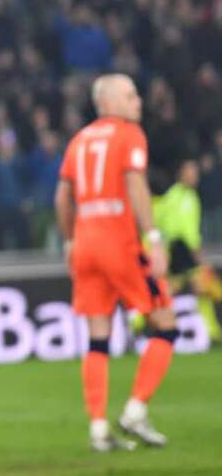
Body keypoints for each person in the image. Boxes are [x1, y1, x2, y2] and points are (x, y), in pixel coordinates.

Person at [54, 73, 177, 452]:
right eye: (129, 95)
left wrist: (71, 239)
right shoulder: (128, 134)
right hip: (119, 244)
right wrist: (153, 238)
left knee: (98, 336)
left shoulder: (79, 140)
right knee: (166, 325)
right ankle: (135, 411)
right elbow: (135, 183)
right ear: (107, 103)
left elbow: (62, 196)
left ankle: (98, 430)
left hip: (86, 244)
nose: (137, 101)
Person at [151, 158, 222, 342]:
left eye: (195, 172)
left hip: (177, 250)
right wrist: (196, 254)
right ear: (181, 174)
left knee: (196, 290)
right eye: (190, 172)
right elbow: (185, 230)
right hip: (180, 250)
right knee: (205, 287)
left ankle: (211, 331)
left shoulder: (179, 195)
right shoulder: (182, 197)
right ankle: (148, 325)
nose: (194, 176)